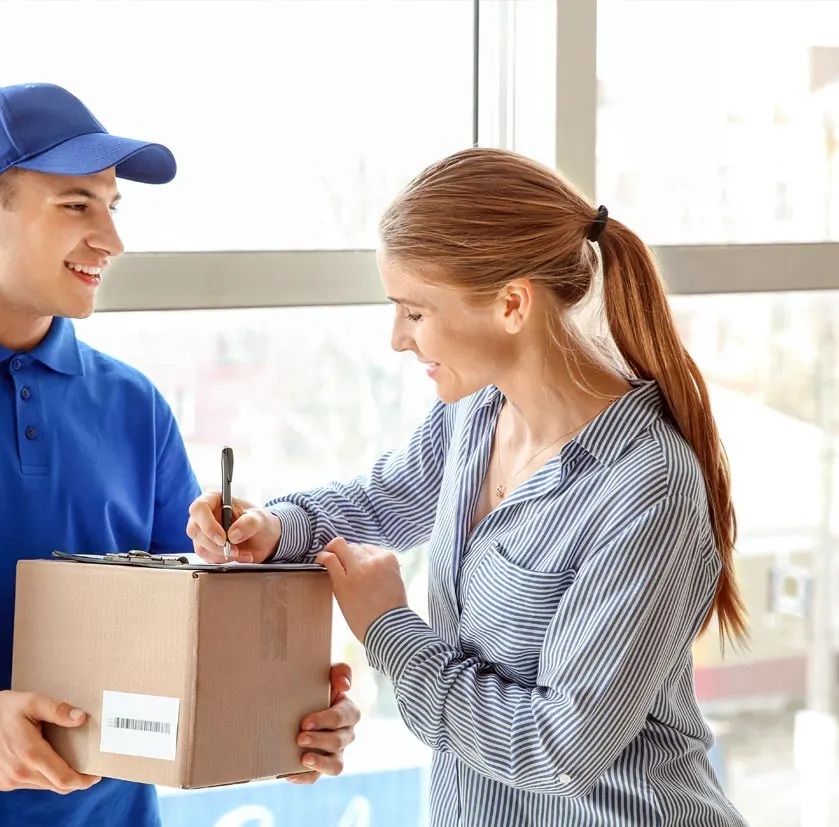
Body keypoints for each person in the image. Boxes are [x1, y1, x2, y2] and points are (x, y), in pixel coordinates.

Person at [187, 146, 750, 826]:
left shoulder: (646, 489)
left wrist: (388, 628)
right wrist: (276, 527)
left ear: (511, 303)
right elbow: (378, 502)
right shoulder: (474, 412)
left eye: (414, 312)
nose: (397, 338)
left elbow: (557, 748)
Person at [0, 82, 359, 827]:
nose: (111, 239)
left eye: (113, 206)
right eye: (76, 205)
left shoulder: (133, 406)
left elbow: (184, 650)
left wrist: (287, 719)